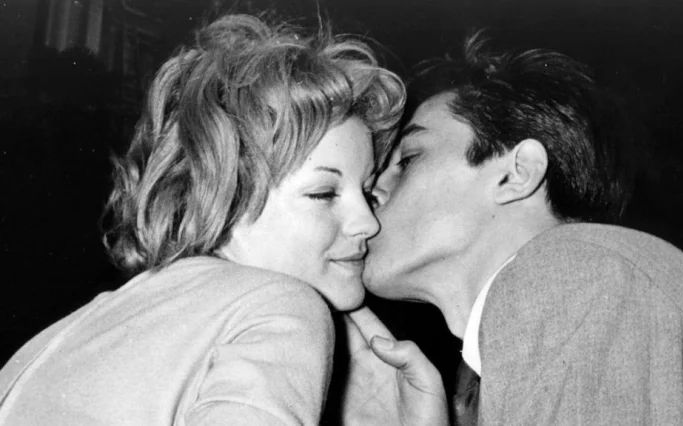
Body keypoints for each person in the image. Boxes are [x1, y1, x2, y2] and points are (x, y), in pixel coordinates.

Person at [0, 14, 405, 425]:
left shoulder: (80, 324)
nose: (368, 223)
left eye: (368, 192)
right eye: (324, 194)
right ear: (224, 196)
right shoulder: (284, 304)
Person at [353, 34, 683, 425]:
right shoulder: (495, 362)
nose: (371, 190)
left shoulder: (575, 273)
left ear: (517, 173)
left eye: (408, 159)